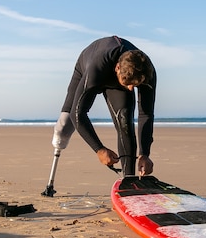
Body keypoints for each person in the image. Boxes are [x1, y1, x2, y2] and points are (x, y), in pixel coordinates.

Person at [52, 36, 156, 177]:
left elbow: (146, 114)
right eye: (128, 83)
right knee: (63, 127)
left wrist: (144, 153)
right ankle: (52, 173)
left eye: (136, 85)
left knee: (124, 122)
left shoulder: (147, 72)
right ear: (117, 68)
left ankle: (128, 180)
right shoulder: (97, 67)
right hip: (87, 67)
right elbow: (78, 114)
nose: (131, 89)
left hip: (117, 81)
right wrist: (99, 149)